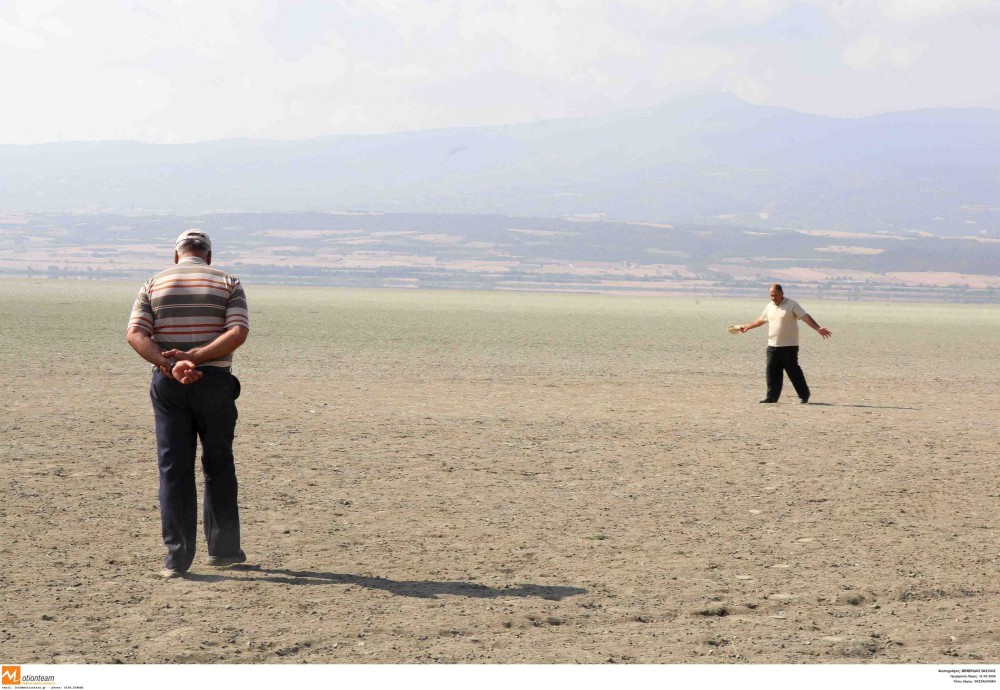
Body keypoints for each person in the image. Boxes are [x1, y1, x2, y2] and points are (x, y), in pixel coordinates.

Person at [126, 229, 250, 578]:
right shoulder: (228, 282)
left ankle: (176, 560)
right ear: (208, 256)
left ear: (176, 254)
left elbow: (135, 334)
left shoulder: (154, 283)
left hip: (169, 384)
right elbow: (237, 332)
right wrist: (197, 357)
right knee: (219, 463)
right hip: (214, 383)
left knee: (174, 469)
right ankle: (224, 550)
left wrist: (172, 364)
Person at [739, 283, 832, 404]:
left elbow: (805, 317)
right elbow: (761, 319)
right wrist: (747, 326)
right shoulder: (769, 306)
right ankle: (771, 397)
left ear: (782, 293)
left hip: (789, 346)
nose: (773, 298)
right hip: (772, 346)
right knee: (772, 372)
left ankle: (804, 395)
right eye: (771, 295)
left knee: (793, 372)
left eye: (775, 295)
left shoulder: (792, 304)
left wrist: (818, 328)